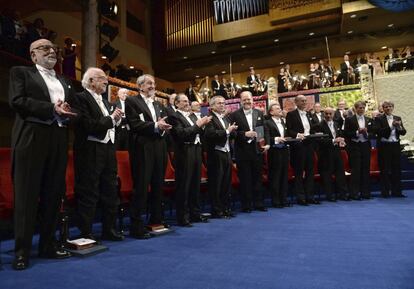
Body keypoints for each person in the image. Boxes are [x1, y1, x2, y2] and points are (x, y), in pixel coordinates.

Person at [9, 38, 76, 270]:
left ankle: (47, 245)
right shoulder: (21, 72)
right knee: (26, 196)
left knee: (53, 195)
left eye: (53, 48)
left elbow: (72, 106)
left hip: (58, 138)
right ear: (33, 55)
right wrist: (51, 108)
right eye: (44, 48)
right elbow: (17, 101)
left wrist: (68, 111)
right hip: (31, 137)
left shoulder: (65, 80)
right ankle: (22, 251)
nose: (51, 51)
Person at [73, 67, 124, 241]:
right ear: (91, 81)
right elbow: (87, 124)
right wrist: (111, 119)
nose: (106, 81)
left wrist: (115, 120)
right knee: (89, 192)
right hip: (90, 150)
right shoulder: (79, 98)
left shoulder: (107, 102)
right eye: (102, 78)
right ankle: (86, 232)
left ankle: (109, 230)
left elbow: (108, 124)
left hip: (108, 150)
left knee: (110, 191)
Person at [125, 74, 172, 238]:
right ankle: (136, 226)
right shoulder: (132, 101)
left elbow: (162, 124)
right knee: (142, 187)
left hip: (159, 146)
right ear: (140, 86)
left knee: (158, 185)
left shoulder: (159, 104)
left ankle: (156, 221)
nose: (153, 86)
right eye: (149, 83)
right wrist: (155, 125)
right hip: (142, 148)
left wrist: (163, 127)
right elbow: (134, 124)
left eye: (154, 83)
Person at [169, 93, 212, 226]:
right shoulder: (174, 116)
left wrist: (203, 126)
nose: (187, 103)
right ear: (176, 103)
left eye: (188, 101)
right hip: (184, 151)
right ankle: (183, 217)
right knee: (184, 184)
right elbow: (181, 134)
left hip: (196, 149)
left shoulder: (193, 116)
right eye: (184, 101)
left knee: (195, 183)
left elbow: (200, 133)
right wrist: (198, 125)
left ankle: (195, 213)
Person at [228, 91, 267, 212]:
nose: (247, 101)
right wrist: (245, 134)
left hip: (257, 151)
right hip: (242, 152)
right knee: (245, 180)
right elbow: (232, 133)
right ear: (240, 101)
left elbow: (262, 130)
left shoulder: (259, 112)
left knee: (257, 179)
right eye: (244, 99)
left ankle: (259, 203)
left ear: (252, 100)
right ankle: (247, 205)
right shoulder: (234, 115)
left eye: (248, 99)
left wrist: (262, 144)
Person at [205, 96, 238, 218]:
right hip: (216, 154)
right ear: (212, 106)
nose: (222, 105)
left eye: (224, 103)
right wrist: (228, 131)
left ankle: (226, 208)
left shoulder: (226, 118)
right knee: (216, 183)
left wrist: (232, 131)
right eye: (219, 103)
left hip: (227, 152)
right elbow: (210, 134)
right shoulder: (209, 119)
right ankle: (217, 209)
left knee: (226, 183)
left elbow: (232, 134)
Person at [286, 95, 319, 205]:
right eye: (302, 101)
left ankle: (310, 196)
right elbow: (289, 131)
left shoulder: (309, 114)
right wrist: (297, 135)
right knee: (299, 173)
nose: (305, 102)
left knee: (310, 172)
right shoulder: (291, 115)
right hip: (298, 147)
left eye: (305, 101)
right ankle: (301, 198)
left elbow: (312, 128)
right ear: (296, 102)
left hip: (309, 145)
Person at [343, 100, 374, 200]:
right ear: (355, 109)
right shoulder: (349, 120)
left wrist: (366, 134)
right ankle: (354, 193)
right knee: (356, 170)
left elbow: (373, 133)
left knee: (366, 169)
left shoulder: (369, 119)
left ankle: (366, 193)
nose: (361, 109)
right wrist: (357, 132)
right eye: (359, 108)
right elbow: (346, 133)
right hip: (354, 146)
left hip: (365, 146)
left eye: (363, 108)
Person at [316, 107, 349, 201]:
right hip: (325, 153)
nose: (328, 116)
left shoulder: (336, 123)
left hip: (337, 152)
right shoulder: (319, 125)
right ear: (323, 114)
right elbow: (320, 141)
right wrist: (334, 140)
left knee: (340, 173)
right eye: (326, 113)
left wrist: (342, 141)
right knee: (327, 175)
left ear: (334, 114)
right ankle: (330, 196)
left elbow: (339, 135)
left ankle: (343, 195)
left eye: (330, 114)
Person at [376, 101, 407, 198]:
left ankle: (397, 191)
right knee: (384, 169)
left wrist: (399, 126)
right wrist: (391, 126)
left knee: (396, 169)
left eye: (390, 106)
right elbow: (379, 132)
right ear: (383, 108)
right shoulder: (378, 118)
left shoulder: (398, 118)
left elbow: (403, 132)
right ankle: (385, 192)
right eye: (386, 107)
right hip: (385, 146)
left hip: (395, 145)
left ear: (393, 107)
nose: (388, 108)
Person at [263, 103, 289, 208]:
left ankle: (284, 199)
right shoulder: (267, 122)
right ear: (271, 112)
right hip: (274, 151)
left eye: (280, 108)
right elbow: (267, 137)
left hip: (284, 150)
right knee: (275, 176)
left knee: (284, 175)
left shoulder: (282, 121)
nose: (280, 110)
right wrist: (276, 139)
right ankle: (276, 200)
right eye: (277, 108)